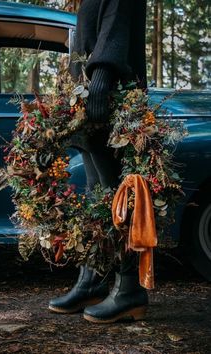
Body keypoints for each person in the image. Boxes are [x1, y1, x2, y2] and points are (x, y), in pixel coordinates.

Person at [49, 0, 149, 324]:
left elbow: (117, 16)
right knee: (97, 196)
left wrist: (103, 72)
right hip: (89, 95)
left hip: (110, 95)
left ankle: (129, 289)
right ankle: (94, 279)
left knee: (118, 197)